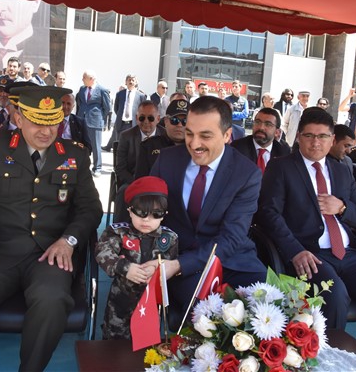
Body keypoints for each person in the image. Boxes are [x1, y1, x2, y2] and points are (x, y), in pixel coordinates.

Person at [0, 85, 102, 371]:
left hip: (50, 252)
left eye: (53, 122)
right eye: (37, 123)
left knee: (52, 299)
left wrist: (68, 240)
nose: (46, 131)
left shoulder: (75, 154)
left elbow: (90, 208)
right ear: (18, 119)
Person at [256, 107, 356, 359]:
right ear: (298, 138)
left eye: (322, 136)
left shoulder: (341, 170)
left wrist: (342, 208)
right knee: (335, 295)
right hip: (308, 253)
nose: (315, 142)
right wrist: (295, 251)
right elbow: (268, 214)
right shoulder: (282, 167)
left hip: (348, 253)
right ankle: (327, 361)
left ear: (332, 140)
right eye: (309, 136)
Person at [150, 96, 267, 323]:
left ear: (227, 135)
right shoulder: (167, 161)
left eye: (205, 136)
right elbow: (147, 211)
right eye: (189, 133)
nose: (194, 144)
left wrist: (179, 265)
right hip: (178, 257)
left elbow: (232, 237)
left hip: (232, 259)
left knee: (267, 306)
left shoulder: (246, 174)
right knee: (207, 314)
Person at [96, 176, 178, 339]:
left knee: (147, 343)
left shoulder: (170, 238)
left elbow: (172, 266)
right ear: (130, 210)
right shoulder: (118, 232)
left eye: (156, 214)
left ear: (164, 215)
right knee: (113, 342)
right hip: (120, 301)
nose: (147, 219)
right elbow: (102, 251)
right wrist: (125, 267)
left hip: (151, 304)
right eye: (141, 212)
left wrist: (157, 269)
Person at [114, 101, 165, 222]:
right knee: (123, 192)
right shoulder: (126, 136)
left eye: (150, 118)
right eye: (142, 118)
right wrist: (137, 183)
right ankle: (119, 229)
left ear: (158, 119)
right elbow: (120, 168)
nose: (146, 121)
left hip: (159, 182)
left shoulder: (165, 136)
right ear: (136, 118)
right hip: (133, 181)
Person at [135, 99, 188, 179]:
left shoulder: (194, 149)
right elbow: (141, 180)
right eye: (174, 120)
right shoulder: (149, 146)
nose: (180, 125)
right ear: (166, 121)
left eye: (185, 121)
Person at [231, 107, 290, 174]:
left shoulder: (283, 150)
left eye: (268, 124)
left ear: (277, 132)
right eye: (257, 122)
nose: (261, 127)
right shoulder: (237, 148)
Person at [75, 70, 111, 177]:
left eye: (84, 77)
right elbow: (79, 103)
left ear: (91, 79)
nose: (82, 79)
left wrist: (100, 119)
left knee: (96, 146)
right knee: (80, 145)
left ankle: (97, 168)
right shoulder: (82, 89)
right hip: (82, 120)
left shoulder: (102, 90)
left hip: (95, 122)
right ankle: (80, 167)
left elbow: (107, 108)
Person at [104, 74, 147, 152]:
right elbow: (116, 108)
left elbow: (143, 110)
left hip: (133, 124)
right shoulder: (120, 94)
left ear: (136, 82)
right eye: (129, 80)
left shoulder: (141, 96)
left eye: (133, 80)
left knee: (133, 147)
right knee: (120, 147)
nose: (131, 82)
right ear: (126, 82)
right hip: (121, 124)